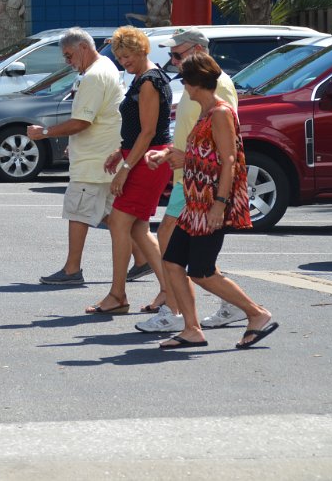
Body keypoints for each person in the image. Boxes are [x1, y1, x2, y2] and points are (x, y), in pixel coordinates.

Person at [145, 52, 278, 349]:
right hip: (195, 203)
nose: (184, 87)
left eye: (185, 81)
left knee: (202, 272)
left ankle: (256, 314)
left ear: (195, 83)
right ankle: (192, 329)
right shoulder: (205, 113)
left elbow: (229, 160)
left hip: (209, 204)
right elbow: (202, 156)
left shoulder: (219, 112)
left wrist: (219, 204)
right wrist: (167, 155)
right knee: (173, 262)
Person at [135, 27, 243, 333]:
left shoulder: (217, 87)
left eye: (177, 54)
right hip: (189, 179)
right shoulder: (195, 85)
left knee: (173, 246)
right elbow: (193, 134)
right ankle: (219, 307)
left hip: (201, 183)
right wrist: (169, 153)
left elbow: (226, 149)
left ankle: (177, 312)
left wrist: (218, 201)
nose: (172, 61)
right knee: (189, 255)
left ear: (197, 51)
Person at [28, 28, 123, 286]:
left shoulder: (93, 76)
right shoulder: (106, 67)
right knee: (114, 217)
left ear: (83, 47)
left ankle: (72, 269)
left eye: (69, 55)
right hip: (104, 156)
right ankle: (145, 258)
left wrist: (44, 132)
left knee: (78, 212)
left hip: (94, 161)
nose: (67, 61)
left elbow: (82, 121)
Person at [89, 26, 172, 315]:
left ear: (143, 50)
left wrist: (125, 167)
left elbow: (149, 132)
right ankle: (168, 289)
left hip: (148, 161)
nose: (124, 61)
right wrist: (121, 151)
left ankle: (118, 295)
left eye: (128, 56)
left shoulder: (149, 81)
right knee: (137, 227)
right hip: (142, 157)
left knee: (118, 222)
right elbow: (139, 129)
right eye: (120, 57)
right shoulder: (143, 77)